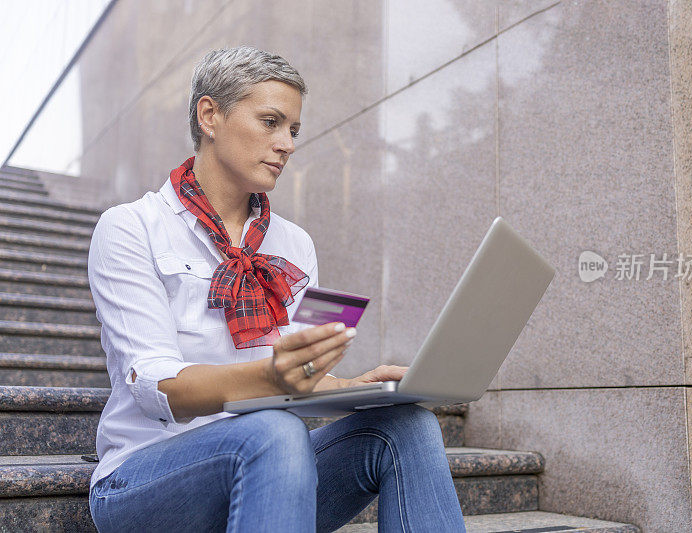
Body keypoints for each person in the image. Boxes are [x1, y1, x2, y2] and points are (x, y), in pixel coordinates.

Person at [86, 46, 466, 532]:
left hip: (271, 471)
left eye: (293, 130)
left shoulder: (295, 244)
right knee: (274, 429)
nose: (286, 143)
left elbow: (296, 376)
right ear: (210, 116)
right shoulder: (130, 227)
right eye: (270, 121)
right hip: (144, 479)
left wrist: (354, 389)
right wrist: (275, 378)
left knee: (407, 428)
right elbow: (156, 388)